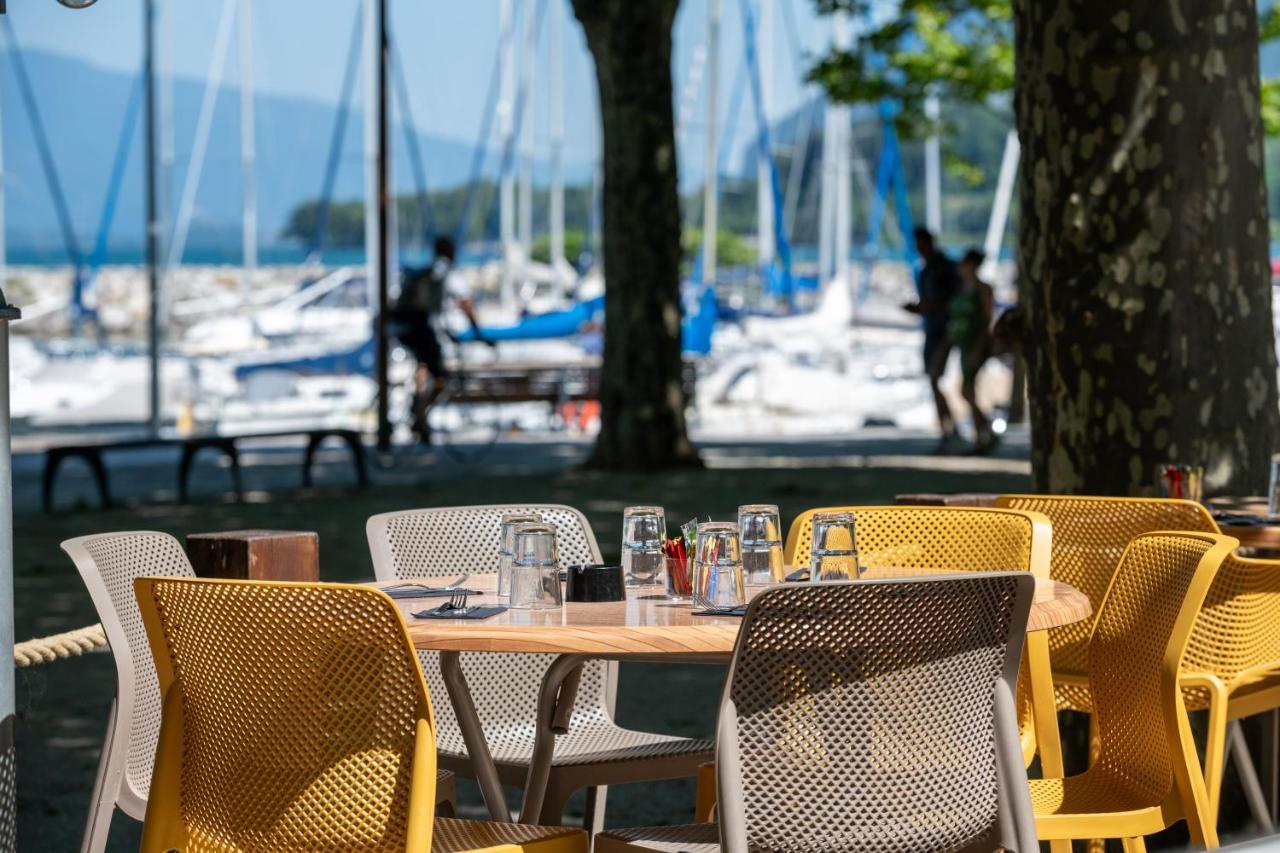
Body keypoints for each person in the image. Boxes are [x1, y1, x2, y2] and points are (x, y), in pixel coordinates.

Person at [393, 235, 488, 444]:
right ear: (450, 251)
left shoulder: (429, 270)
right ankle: (420, 413)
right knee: (441, 375)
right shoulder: (448, 274)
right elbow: (465, 303)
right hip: (426, 329)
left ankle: (419, 413)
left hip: (411, 329)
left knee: (424, 366)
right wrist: (479, 333)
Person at [904, 227, 961, 450]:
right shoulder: (925, 270)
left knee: (935, 376)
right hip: (931, 330)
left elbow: (951, 301)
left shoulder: (945, 268)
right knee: (933, 379)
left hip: (946, 330)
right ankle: (948, 428)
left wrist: (925, 308)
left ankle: (950, 428)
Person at [950, 249, 997, 452]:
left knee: (966, 390)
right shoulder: (961, 288)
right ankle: (984, 434)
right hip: (963, 344)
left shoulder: (983, 289)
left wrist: (979, 347)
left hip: (976, 345)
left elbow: (986, 320)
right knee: (967, 391)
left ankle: (984, 433)